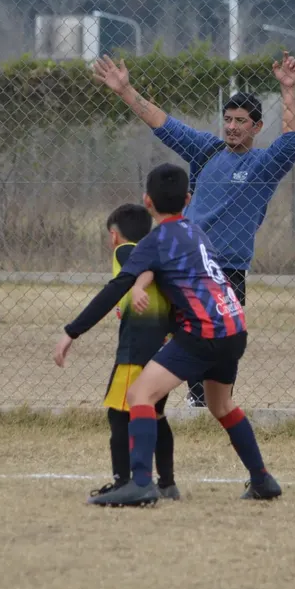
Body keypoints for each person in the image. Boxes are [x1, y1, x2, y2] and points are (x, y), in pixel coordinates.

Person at [54, 163, 282, 507]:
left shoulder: (156, 240)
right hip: (234, 326)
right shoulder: (196, 231)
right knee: (221, 405)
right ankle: (263, 479)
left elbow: (118, 286)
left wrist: (72, 332)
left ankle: (142, 483)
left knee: (139, 395)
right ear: (188, 200)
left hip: (204, 332)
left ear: (148, 201)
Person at [92, 51, 295, 408]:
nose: (233, 126)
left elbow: (292, 143)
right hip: (190, 262)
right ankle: (176, 398)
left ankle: (212, 402)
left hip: (230, 270)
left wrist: (288, 90)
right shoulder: (207, 151)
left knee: (223, 341)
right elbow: (164, 124)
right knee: (180, 332)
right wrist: (126, 91)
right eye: (228, 119)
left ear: (256, 127)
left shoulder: (263, 167)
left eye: (241, 121)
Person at [92, 203, 180, 501]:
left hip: (136, 352)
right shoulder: (161, 253)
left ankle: (124, 483)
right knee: (154, 414)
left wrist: (138, 287)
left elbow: (147, 266)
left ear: (114, 236)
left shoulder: (126, 251)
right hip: (162, 350)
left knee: (119, 416)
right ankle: (167, 483)